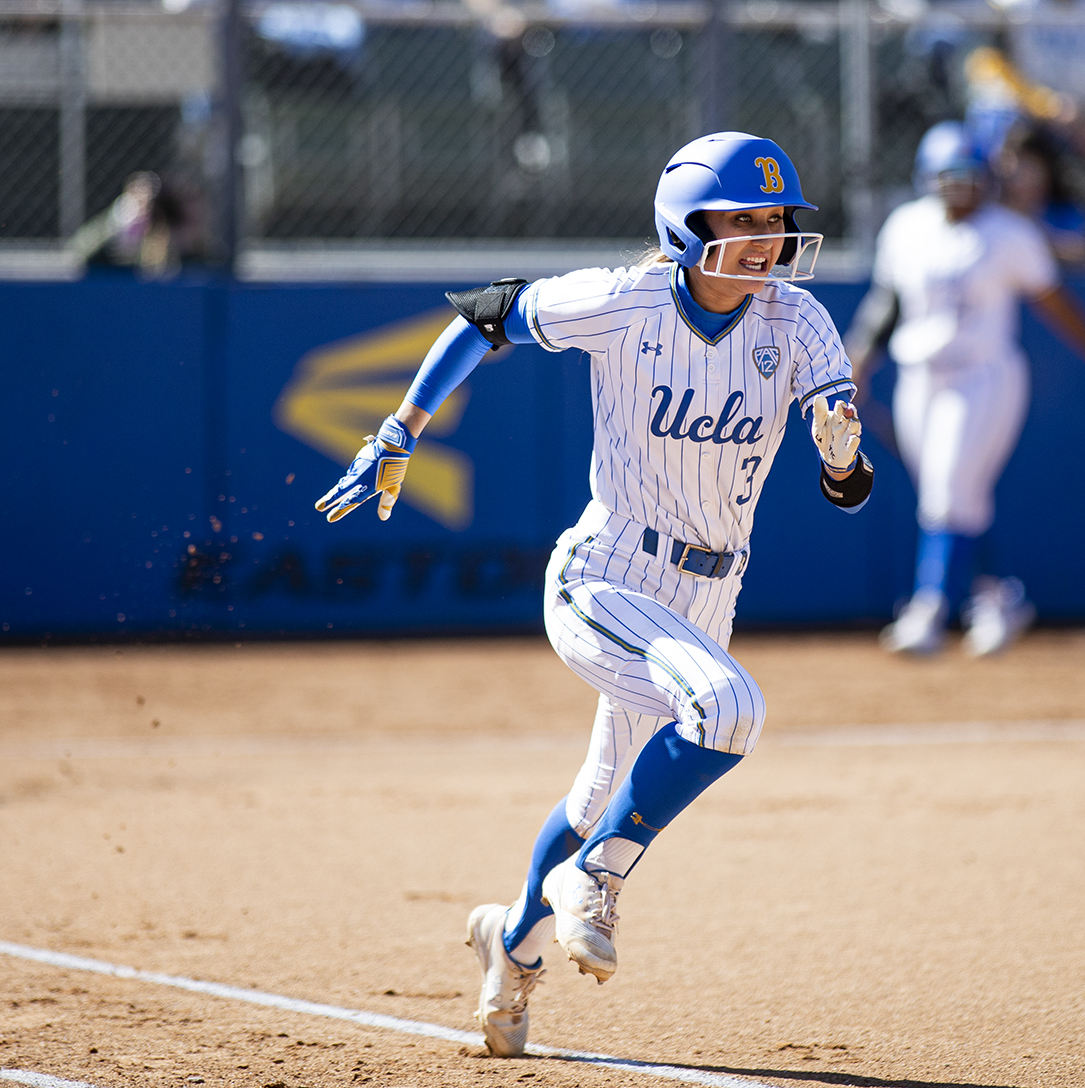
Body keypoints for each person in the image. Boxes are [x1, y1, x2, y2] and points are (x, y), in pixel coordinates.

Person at [314, 132, 873, 1056]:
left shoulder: (798, 318)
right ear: (686, 227)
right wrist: (399, 430)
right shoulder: (627, 300)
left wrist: (842, 456)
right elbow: (485, 315)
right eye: (745, 217)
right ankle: (598, 878)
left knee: (596, 797)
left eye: (779, 219)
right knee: (728, 707)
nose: (769, 237)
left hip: (710, 593)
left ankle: (514, 946)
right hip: (606, 575)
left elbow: (845, 487)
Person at [845, 121, 1085, 658]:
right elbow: (887, 303)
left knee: (947, 491)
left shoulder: (1008, 233)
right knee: (957, 498)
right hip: (921, 377)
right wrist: (858, 363)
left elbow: (1055, 304)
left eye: (970, 174)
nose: (961, 185)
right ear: (926, 177)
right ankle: (998, 597)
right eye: (949, 175)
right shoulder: (906, 226)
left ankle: (928, 610)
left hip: (984, 377)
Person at [963, 0, 1085, 238]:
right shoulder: (1014, 7)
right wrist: (1045, 106)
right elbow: (988, 67)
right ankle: (991, 232)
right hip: (1029, 122)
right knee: (993, 115)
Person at [997, 126, 1085, 267]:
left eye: (1030, 165)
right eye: (1016, 164)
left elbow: (1081, 250)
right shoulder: (992, 210)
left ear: (1047, 169)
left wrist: (1029, 232)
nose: (1021, 174)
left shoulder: (1065, 210)